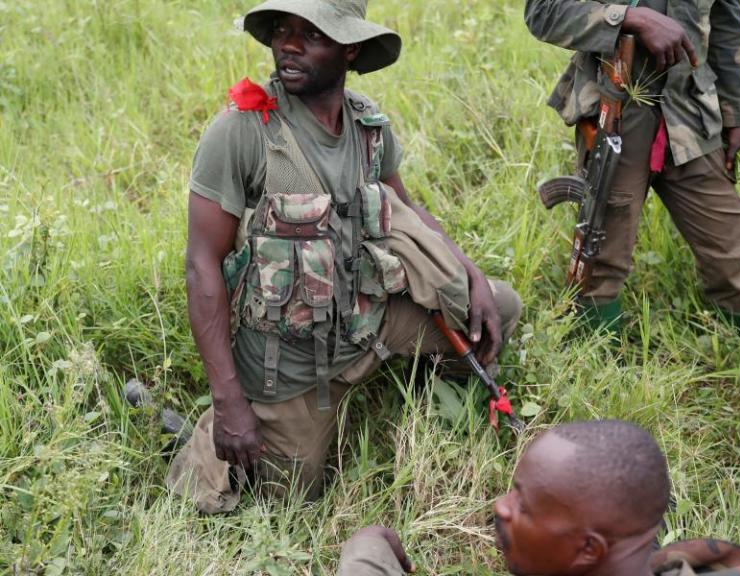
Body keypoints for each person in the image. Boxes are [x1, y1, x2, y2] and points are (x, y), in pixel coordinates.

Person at [166, 0, 522, 514]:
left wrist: (471, 278)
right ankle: (203, 436)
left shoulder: (366, 123)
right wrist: (228, 402)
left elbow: (408, 207)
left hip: (367, 323)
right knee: (288, 507)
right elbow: (202, 264)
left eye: (311, 34)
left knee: (497, 312)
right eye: (283, 30)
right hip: (285, 362)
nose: (288, 44)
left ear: (350, 47)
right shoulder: (242, 130)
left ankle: (409, 396)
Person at [523, 0, 740, 338]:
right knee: (601, 251)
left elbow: (726, 28)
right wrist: (631, 19)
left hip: (690, 115)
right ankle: (593, 354)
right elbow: (543, 12)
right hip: (617, 111)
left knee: (729, 238)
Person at [335, 420, 740, 576]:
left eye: (524, 505)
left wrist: (367, 546)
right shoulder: (730, 563)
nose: (500, 507)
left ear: (589, 549)